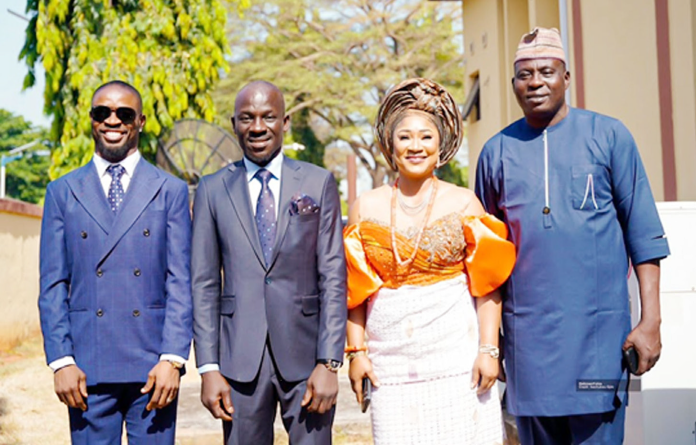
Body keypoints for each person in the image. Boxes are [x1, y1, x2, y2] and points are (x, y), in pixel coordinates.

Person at [475, 28, 670, 444]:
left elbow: (644, 235)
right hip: (527, 347)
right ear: (513, 85)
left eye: (547, 71)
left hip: (597, 345)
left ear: (567, 76)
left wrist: (650, 320)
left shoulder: (609, 136)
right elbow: (482, 263)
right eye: (524, 75)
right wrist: (490, 344)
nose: (535, 83)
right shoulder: (496, 152)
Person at [344, 78, 516, 444]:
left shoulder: (465, 203)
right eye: (405, 137)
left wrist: (489, 350)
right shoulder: (365, 206)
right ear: (391, 146)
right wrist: (356, 353)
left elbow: (487, 285)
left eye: (426, 137)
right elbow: (355, 291)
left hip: (457, 364)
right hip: (389, 368)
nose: (415, 146)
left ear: (441, 147)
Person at [191, 80, 347, 445]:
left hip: (307, 358)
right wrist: (209, 368)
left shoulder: (317, 181)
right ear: (234, 123)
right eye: (247, 118)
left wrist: (329, 363)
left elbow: (333, 278)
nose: (257, 127)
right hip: (238, 363)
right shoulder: (213, 190)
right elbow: (204, 283)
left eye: (268, 117)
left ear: (285, 121)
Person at [38, 80, 193, 444]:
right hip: (87, 370)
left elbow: (180, 282)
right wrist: (61, 360)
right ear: (91, 120)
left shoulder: (169, 190)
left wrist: (172, 359)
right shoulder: (62, 192)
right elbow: (53, 285)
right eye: (102, 113)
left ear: (139, 121)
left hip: (153, 370)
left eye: (123, 114)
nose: (113, 121)